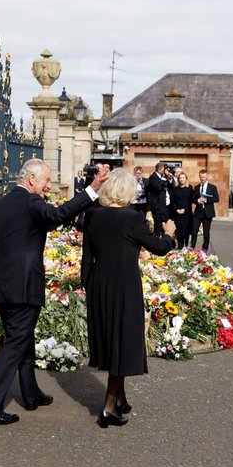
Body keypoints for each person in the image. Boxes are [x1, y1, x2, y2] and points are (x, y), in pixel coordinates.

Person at [0, 158, 109, 425]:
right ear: (32, 179)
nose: (49, 186)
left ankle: (31, 394)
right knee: (15, 343)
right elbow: (58, 215)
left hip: (3, 287)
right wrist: (92, 189)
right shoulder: (31, 202)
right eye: (47, 180)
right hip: (24, 288)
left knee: (21, 340)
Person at [82, 168, 176, 428]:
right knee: (122, 342)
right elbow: (158, 248)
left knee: (111, 338)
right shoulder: (132, 217)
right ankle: (108, 407)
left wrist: (88, 286)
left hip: (99, 283)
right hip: (124, 285)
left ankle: (120, 398)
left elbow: (86, 257)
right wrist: (168, 232)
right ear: (127, 191)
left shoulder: (93, 215)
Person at [191, 169, 219, 251]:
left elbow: (216, 198)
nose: (202, 178)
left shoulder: (212, 187)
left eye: (204, 177)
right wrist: (198, 201)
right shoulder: (196, 187)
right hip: (198, 213)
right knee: (194, 231)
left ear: (207, 176)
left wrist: (206, 200)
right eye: (201, 177)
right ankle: (192, 248)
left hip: (208, 213)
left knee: (206, 232)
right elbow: (193, 199)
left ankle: (204, 249)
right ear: (199, 177)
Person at [146, 162, 171, 237]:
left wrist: (167, 178)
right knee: (157, 228)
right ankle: (156, 245)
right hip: (157, 207)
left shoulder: (161, 177)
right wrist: (164, 179)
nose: (165, 171)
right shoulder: (153, 177)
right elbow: (158, 188)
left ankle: (164, 244)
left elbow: (169, 187)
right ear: (160, 169)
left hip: (164, 207)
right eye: (164, 169)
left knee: (164, 227)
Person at [172, 171, 194, 248]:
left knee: (186, 231)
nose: (182, 179)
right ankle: (180, 247)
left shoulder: (189, 188)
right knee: (179, 232)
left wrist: (185, 209)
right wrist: (177, 210)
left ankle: (186, 247)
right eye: (180, 178)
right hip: (177, 214)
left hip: (187, 213)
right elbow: (173, 201)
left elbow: (191, 200)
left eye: (183, 178)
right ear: (178, 179)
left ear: (186, 179)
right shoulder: (175, 188)